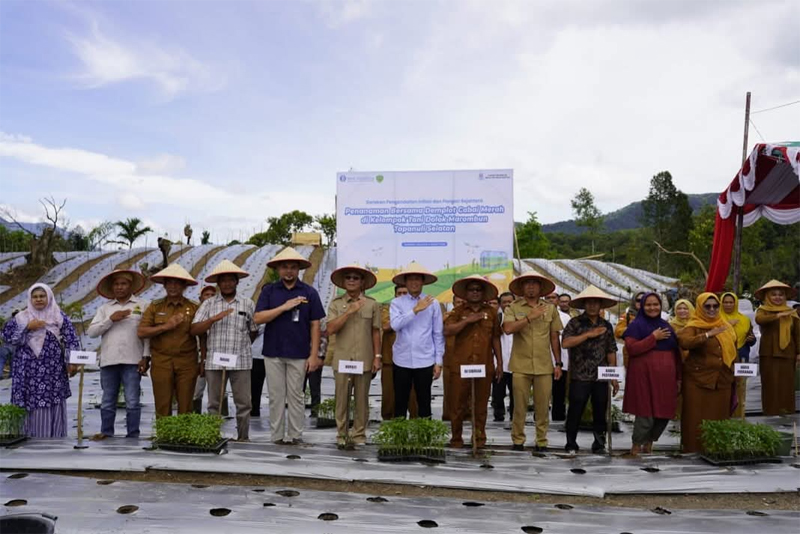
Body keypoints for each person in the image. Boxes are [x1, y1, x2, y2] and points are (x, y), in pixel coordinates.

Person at [254, 247, 324, 444]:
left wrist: (314, 355)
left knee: (296, 396)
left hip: (299, 352)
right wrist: (285, 306)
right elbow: (258, 318)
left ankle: (295, 435)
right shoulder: (269, 291)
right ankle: (276, 436)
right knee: (276, 396)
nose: (289, 271)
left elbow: (315, 325)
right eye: (285, 267)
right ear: (278, 269)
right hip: (273, 351)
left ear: (299, 270)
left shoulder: (309, 292)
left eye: (293, 267)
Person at [191, 260, 259, 441]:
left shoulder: (247, 303)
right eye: (223, 280)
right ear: (218, 284)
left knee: (244, 403)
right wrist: (213, 319)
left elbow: (253, 330)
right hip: (215, 360)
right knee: (214, 403)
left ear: (237, 282)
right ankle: (213, 436)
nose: (227, 284)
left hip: (241, 360)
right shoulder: (208, 304)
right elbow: (195, 329)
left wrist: (241, 346)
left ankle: (243, 437)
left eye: (231, 280)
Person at [1, 284, 79, 437]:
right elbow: (6, 336)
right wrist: (28, 326)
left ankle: (53, 434)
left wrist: (72, 362)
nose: (38, 300)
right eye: (35, 297)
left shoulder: (58, 315)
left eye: (42, 296)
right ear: (30, 299)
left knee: (51, 396)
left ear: (49, 297)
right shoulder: (21, 317)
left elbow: (71, 338)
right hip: (26, 369)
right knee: (29, 397)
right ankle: (27, 434)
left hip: (52, 368)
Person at [502, 273, 563, 452]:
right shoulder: (513, 307)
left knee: (543, 406)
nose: (530, 287)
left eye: (534, 284)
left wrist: (558, 363)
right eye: (527, 284)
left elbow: (554, 337)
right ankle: (518, 440)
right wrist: (530, 317)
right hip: (520, 365)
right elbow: (508, 329)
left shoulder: (550, 308)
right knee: (519, 406)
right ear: (522, 288)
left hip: (544, 365)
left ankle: (542, 440)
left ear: (540, 288)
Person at [87, 270, 149, 440]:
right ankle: (106, 432)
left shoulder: (143, 305)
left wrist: (146, 356)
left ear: (131, 286)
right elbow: (91, 332)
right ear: (112, 287)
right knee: (108, 399)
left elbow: (147, 335)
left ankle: (133, 434)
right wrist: (110, 319)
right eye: (116, 284)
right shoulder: (105, 309)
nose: (120, 287)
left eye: (124, 284)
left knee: (132, 400)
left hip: (133, 359)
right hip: (109, 360)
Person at [326, 264, 381, 447]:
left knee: (361, 401)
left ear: (362, 282)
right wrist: (348, 311)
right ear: (343, 282)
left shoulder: (372, 304)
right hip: (342, 359)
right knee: (341, 399)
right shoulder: (336, 304)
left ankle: (358, 435)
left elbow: (375, 332)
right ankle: (341, 435)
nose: (351, 280)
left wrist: (377, 356)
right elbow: (331, 329)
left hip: (364, 358)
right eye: (348, 277)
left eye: (355, 278)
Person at [443, 275, 502, 448]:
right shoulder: (458, 311)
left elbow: (496, 338)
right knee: (458, 403)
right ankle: (456, 438)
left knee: (481, 404)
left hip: (484, 364)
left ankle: (479, 438)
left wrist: (499, 362)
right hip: (460, 365)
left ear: (483, 293)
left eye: (478, 290)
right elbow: (447, 330)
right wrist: (468, 321)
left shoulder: (491, 313)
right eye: (472, 290)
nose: (475, 293)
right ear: (466, 293)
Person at [561, 286, 619, 454]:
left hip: (601, 376)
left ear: (600, 305)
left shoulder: (606, 325)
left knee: (600, 410)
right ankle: (571, 443)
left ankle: (599, 443)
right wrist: (588, 334)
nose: (593, 306)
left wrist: (613, 375)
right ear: (584, 305)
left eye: (596, 303)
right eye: (589, 303)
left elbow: (611, 350)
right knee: (575, 410)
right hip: (580, 375)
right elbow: (565, 343)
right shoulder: (575, 323)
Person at [621, 293, 681, 455]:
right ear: (641, 306)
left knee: (664, 412)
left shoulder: (666, 326)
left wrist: (678, 377)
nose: (652, 308)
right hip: (643, 376)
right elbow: (632, 349)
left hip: (666, 378)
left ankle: (649, 443)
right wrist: (653, 337)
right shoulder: (636, 325)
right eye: (648, 304)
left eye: (656, 304)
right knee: (645, 413)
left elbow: (675, 352)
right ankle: (635, 447)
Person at [677, 293, 737, 453]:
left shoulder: (726, 326)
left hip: (722, 380)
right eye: (707, 306)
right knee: (695, 418)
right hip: (698, 380)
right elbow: (684, 342)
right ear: (699, 307)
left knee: (719, 417)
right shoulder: (693, 325)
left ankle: (718, 451)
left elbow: (733, 350)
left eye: (715, 306)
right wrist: (707, 334)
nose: (712, 309)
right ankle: (692, 451)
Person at [137, 264, 200, 417]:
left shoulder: (194, 307)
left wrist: (202, 360)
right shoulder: (155, 306)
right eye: (169, 282)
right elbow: (142, 331)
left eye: (177, 283)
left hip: (187, 362)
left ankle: (183, 437)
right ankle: (164, 437)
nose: (173, 286)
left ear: (184, 286)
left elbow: (203, 336)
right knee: (162, 403)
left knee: (186, 404)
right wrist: (166, 326)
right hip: (161, 361)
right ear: (164, 285)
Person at [389, 262, 445, 418]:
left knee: (424, 400)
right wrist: (415, 310)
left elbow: (437, 333)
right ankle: (399, 438)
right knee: (400, 400)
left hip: (425, 358)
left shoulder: (433, 303)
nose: (414, 283)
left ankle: (424, 438)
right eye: (410, 279)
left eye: (417, 279)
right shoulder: (397, 303)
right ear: (405, 282)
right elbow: (395, 325)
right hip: (401, 358)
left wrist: (438, 361)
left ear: (423, 282)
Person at [754, 280, 800, 416]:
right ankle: (770, 413)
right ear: (768, 297)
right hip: (768, 354)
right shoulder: (763, 311)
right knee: (770, 385)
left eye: (781, 295)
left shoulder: (792, 313)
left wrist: (799, 353)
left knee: (786, 386)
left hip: (788, 353)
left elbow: (798, 334)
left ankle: (787, 413)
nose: (778, 297)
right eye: (773, 295)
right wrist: (777, 315)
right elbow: (760, 320)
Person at [380, 284, 418, 420]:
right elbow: (385, 326)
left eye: (405, 293)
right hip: (389, 360)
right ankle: (389, 422)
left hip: (412, 360)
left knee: (414, 396)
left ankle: (416, 423)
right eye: (399, 293)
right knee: (389, 395)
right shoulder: (386, 309)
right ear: (395, 295)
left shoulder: (418, 309)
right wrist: (407, 316)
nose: (402, 295)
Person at [720, 292, 756, 418]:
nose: (728, 305)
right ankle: (723, 415)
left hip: (741, 357)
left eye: (731, 302)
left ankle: (739, 415)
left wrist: (751, 339)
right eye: (725, 302)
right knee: (725, 386)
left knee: (740, 387)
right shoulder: (716, 319)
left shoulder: (745, 320)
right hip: (723, 359)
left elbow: (751, 339)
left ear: (735, 304)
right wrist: (728, 325)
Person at [193, 285, 228, 414]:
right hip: (198, 356)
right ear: (200, 298)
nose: (209, 297)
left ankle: (221, 416)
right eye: (206, 295)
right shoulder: (196, 315)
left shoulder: (223, 313)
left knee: (219, 390)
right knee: (197, 390)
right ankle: (195, 416)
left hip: (217, 355)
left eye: (212, 295)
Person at [491, 291, 515, 421]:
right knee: (498, 392)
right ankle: (498, 415)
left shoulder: (520, 319)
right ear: (500, 304)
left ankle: (514, 416)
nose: (507, 304)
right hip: (499, 362)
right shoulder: (496, 319)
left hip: (516, 363)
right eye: (504, 302)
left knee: (515, 393)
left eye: (510, 301)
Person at [551, 293, 575, 421]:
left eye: (553, 298)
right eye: (548, 298)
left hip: (562, 359)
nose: (551, 300)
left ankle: (558, 416)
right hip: (544, 359)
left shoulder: (566, 318)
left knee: (559, 390)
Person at [442, 294, 466, 421]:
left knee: (467, 391)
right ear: (453, 303)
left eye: (463, 302)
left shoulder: (469, 316)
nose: (460, 304)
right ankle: (447, 416)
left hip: (467, 360)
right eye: (458, 302)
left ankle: (467, 417)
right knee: (449, 391)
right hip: (449, 358)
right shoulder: (447, 317)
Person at [615, 291, 645, 368]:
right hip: (630, 353)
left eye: (643, 300)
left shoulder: (651, 316)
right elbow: (618, 331)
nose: (640, 302)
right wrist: (631, 329)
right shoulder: (626, 316)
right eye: (638, 300)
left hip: (647, 353)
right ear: (634, 301)